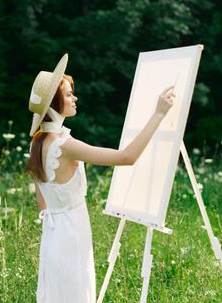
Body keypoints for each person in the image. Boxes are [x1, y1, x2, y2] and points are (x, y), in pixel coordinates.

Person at [25, 54, 175, 303]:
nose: (75, 98)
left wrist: (55, 218)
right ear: (53, 103)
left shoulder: (37, 140)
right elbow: (127, 157)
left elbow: (41, 197)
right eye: (69, 94)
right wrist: (158, 114)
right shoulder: (65, 145)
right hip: (71, 233)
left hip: (53, 236)